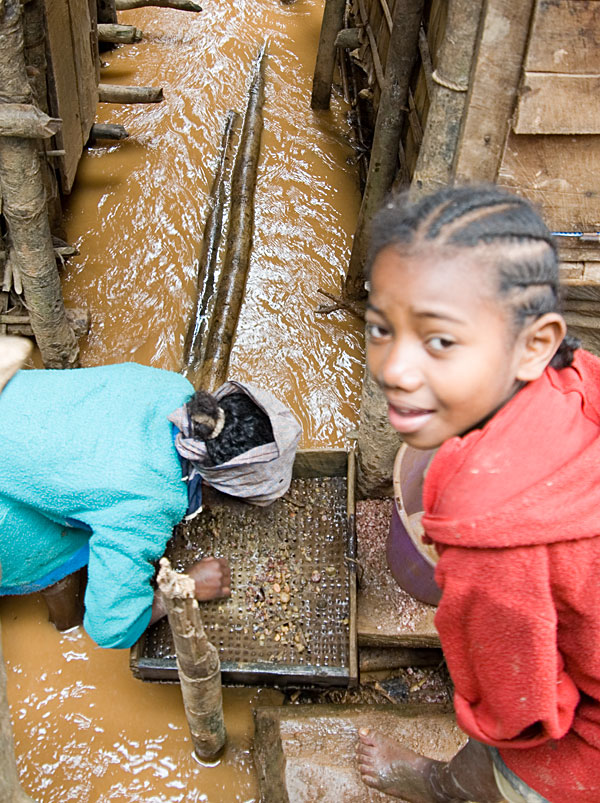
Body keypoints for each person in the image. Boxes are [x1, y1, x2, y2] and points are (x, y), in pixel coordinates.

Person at [356, 184, 600, 803]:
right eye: (382, 327)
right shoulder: (576, 376)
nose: (395, 370)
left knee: (503, 766)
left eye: (440, 340)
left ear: (534, 343)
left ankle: (442, 785)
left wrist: (499, 728)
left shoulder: (494, 536)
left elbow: (519, 707)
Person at [0, 362, 300, 649]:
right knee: (52, 558)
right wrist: (185, 587)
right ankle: (63, 624)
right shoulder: (148, 503)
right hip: (12, 502)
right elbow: (111, 630)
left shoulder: (171, 387)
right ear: (214, 482)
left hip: (16, 402)